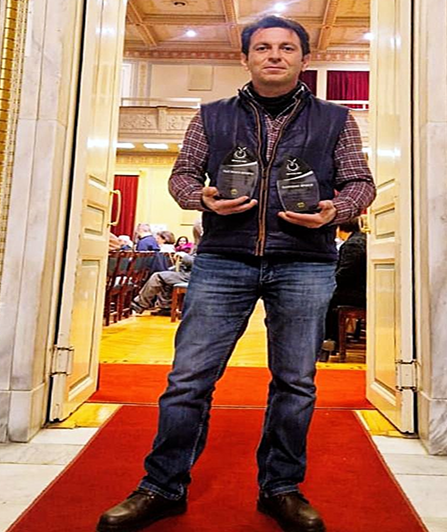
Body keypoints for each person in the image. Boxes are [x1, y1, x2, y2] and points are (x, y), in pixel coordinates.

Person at [97, 15, 375, 532]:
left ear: (304, 59)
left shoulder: (337, 119)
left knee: (295, 382)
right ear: (245, 58)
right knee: (188, 379)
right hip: (224, 258)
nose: (275, 55)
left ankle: (281, 488)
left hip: (305, 261)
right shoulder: (212, 116)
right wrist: (200, 198)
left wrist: (333, 212)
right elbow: (183, 175)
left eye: (286, 47)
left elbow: (361, 182)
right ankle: (162, 486)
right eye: (263, 47)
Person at [320, 218, 367, 361]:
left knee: (324, 298)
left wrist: (327, 282)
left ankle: (328, 341)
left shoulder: (353, 244)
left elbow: (345, 273)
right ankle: (330, 340)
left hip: (357, 292)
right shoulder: (360, 240)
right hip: (360, 289)